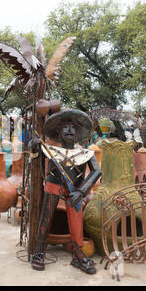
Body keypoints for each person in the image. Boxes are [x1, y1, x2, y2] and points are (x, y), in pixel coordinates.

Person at [30, 109, 101, 274]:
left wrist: (82, 192)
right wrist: (33, 144)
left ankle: (78, 253)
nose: (69, 130)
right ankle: (39, 251)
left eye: (73, 127)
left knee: (76, 221)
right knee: (46, 217)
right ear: (58, 131)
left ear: (78, 132)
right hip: (52, 187)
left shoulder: (86, 153)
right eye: (65, 127)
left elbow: (97, 172)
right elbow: (34, 153)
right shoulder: (49, 150)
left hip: (75, 191)